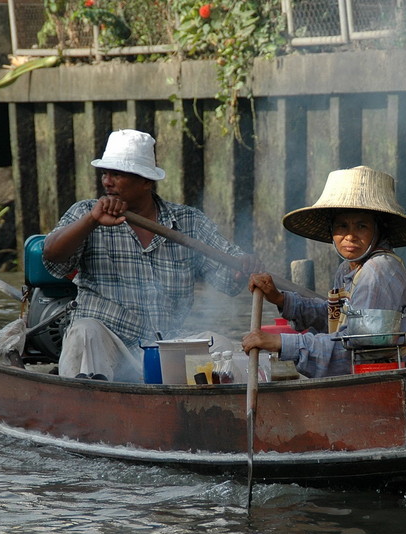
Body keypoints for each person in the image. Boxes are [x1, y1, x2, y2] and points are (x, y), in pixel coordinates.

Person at [42, 129, 257, 382]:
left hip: (165, 345)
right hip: (108, 345)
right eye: (105, 173)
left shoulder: (189, 221)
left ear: (146, 181)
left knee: (221, 346)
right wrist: (91, 221)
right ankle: (90, 402)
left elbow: (229, 277)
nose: (107, 182)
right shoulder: (87, 212)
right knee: (84, 331)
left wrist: (242, 265)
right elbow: (52, 255)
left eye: (117, 174)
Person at [242, 165, 406, 377]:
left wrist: (281, 342)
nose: (350, 236)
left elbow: (353, 349)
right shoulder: (348, 269)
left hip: (396, 379)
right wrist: (280, 299)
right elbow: (335, 317)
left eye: (361, 226)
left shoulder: (377, 271)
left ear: (379, 230)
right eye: (342, 226)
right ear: (331, 230)